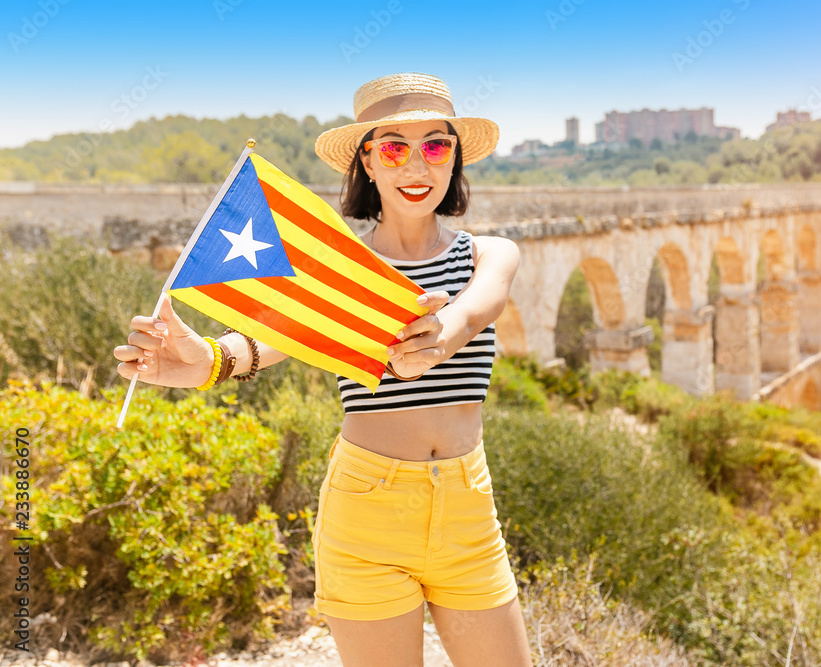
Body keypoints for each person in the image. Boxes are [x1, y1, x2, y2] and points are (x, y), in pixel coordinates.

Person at [113, 72, 533, 666]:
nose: (418, 165)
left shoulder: (489, 252)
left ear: (455, 158)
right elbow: (271, 338)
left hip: (468, 508)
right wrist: (205, 360)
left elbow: (477, 307)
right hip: (367, 508)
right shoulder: (340, 273)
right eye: (394, 147)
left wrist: (441, 336)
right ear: (367, 161)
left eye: (436, 145)